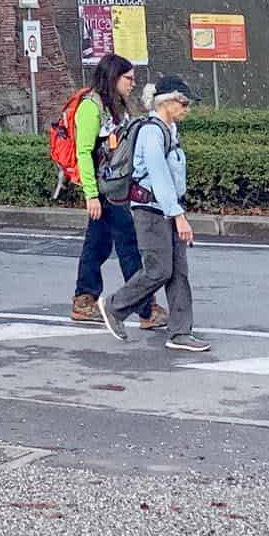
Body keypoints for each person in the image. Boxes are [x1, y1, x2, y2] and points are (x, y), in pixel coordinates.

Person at [102, 75, 209, 353]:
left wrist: (176, 211)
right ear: (168, 102)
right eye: (184, 103)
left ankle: (180, 332)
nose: (188, 108)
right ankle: (115, 306)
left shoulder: (169, 129)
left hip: (167, 208)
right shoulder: (152, 132)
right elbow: (159, 176)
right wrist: (179, 216)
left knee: (178, 272)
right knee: (159, 269)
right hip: (150, 211)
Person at [70, 55, 160, 331]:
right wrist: (91, 195)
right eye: (128, 78)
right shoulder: (91, 107)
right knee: (129, 245)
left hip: (118, 188)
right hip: (106, 191)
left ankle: (84, 300)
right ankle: (146, 309)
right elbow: (83, 152)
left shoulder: (118, 106)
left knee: (97, 245)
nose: (133, 84)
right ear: (113, 77)